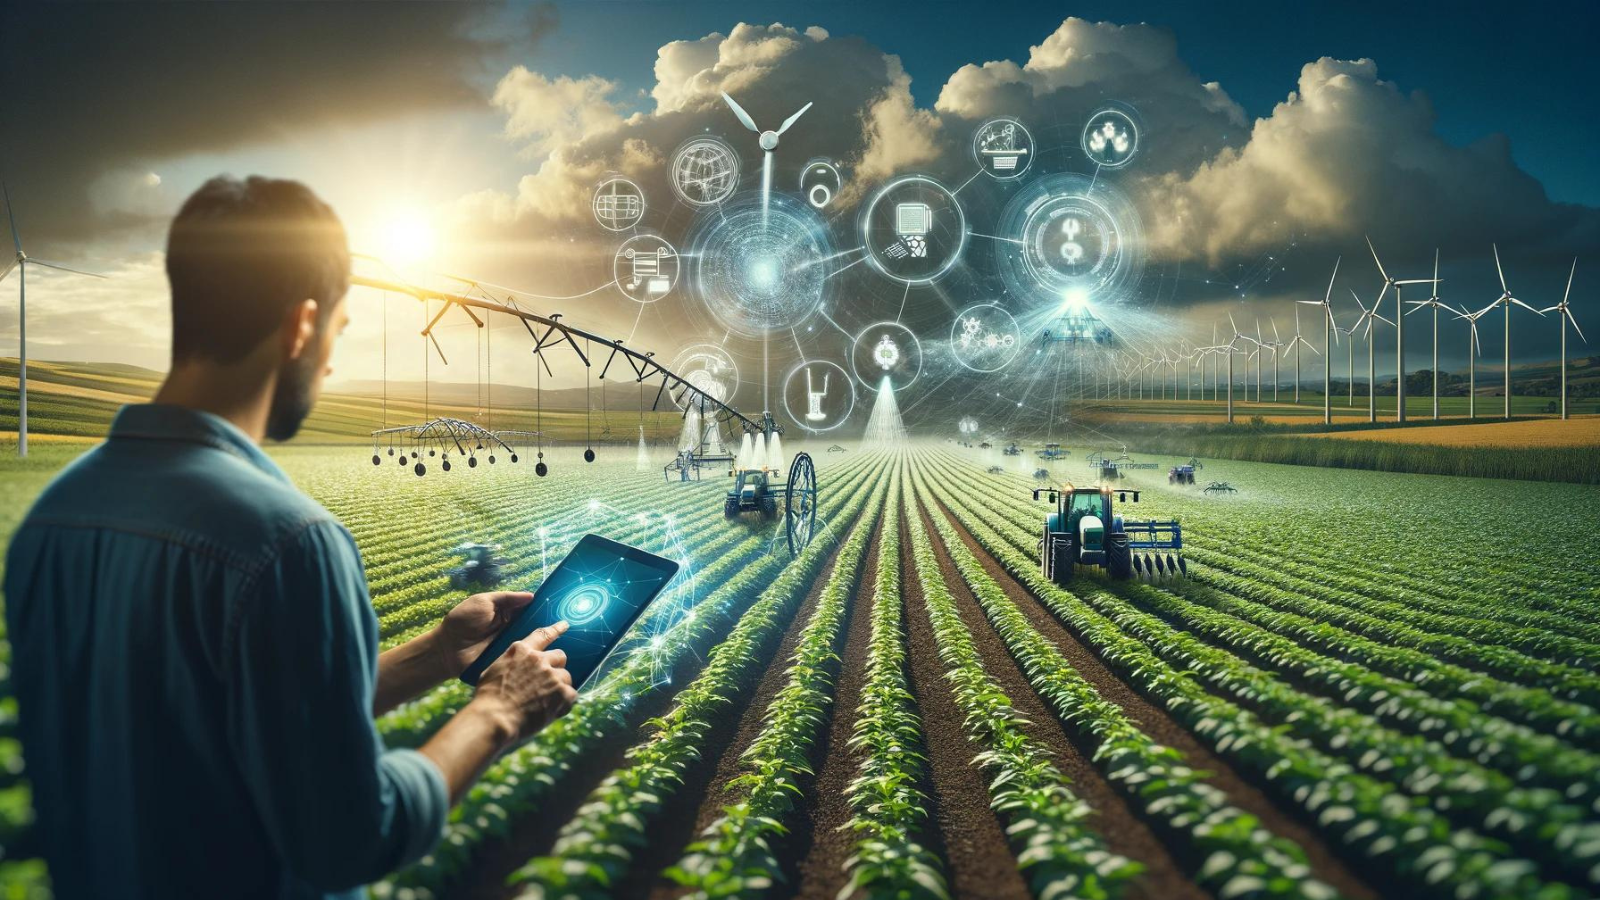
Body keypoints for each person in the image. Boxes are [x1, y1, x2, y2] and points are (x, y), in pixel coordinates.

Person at [2, 176, 578, 899]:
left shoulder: (51, 518)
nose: (331, 364)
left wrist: (438, 652)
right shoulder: (286, 541)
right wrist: (497, 711)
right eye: (337, 334)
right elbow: (349, 837)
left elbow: (236, 715)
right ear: (302, 325)